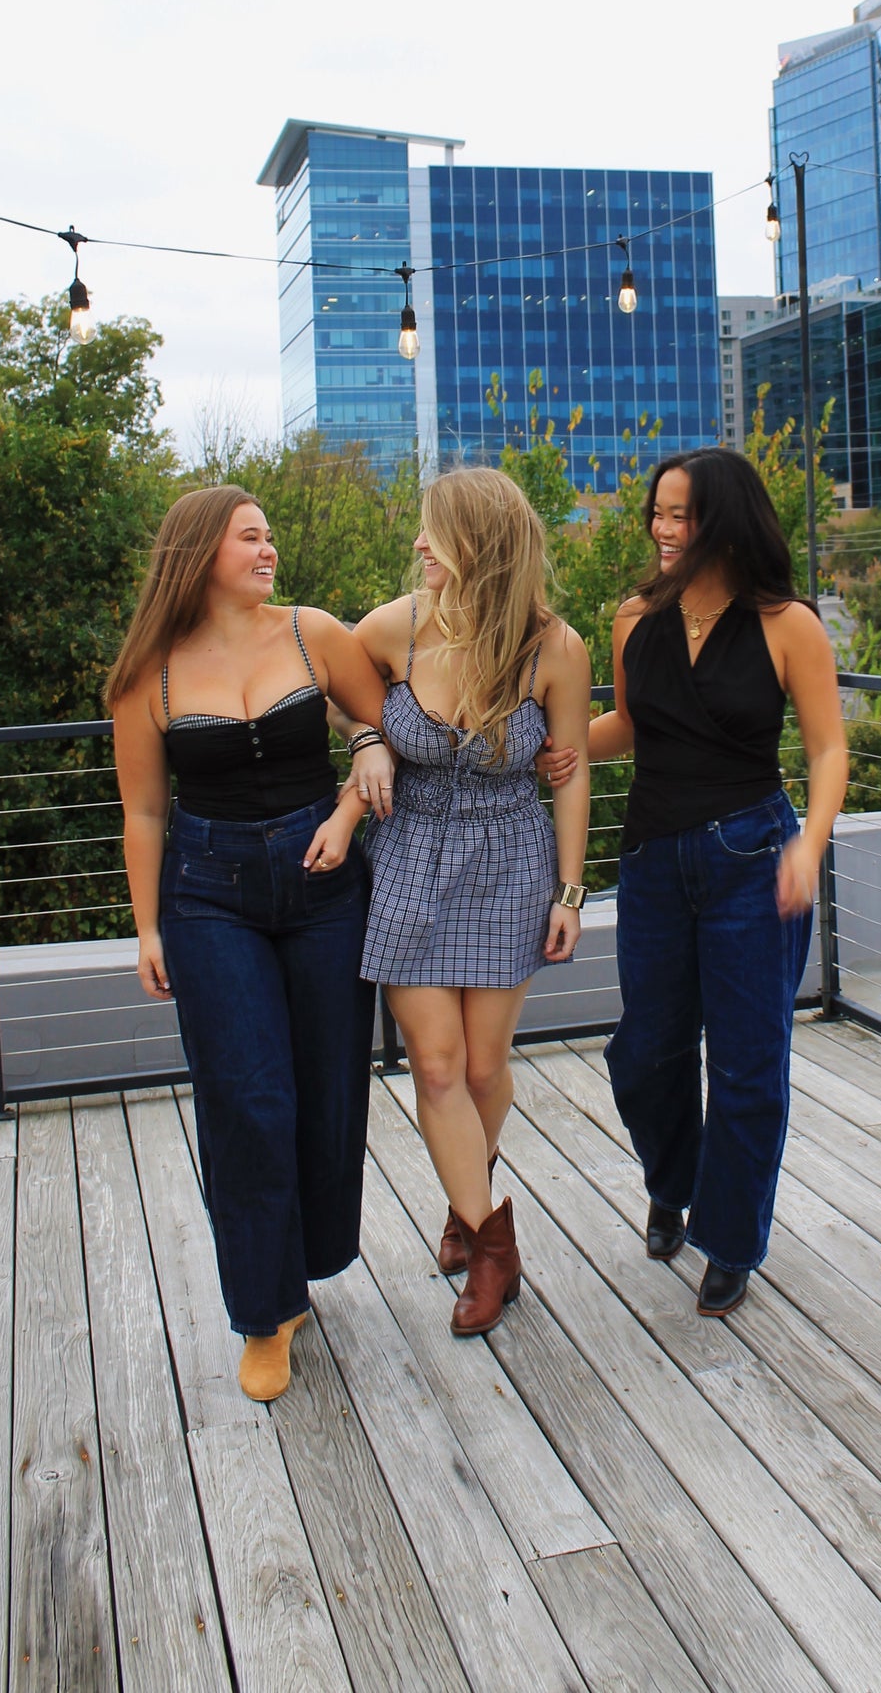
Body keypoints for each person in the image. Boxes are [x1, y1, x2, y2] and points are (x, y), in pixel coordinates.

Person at [109, 484, 394, 1401]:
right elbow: (145, 810)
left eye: (269, 536)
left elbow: (386, 723)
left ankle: (303, 1264)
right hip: (207, 894)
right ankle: (262, 1315)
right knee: (247, 1100)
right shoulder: (149, 672)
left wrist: (357, 787)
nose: (267, 549)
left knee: (325, 1084)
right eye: (248, 538)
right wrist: (148, 925)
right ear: (199, 553)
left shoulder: (315, 633)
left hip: (323, 880)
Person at [568, 448, 847, 1317]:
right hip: (652, 858)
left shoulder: (785, 623)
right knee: (644, 1053)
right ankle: (673, 1180)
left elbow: (828, 748)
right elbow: (632, 723)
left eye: (681, 514)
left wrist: (810, 845)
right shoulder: (631, 618)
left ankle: (729, 1238)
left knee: (746, 1065)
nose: (662, 528)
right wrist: (564, 745)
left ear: (723, 521)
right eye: (657, 512)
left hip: (749, 860)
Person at [340, 467, 591, 1336]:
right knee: (435, 1066)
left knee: (484, 1069)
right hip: (410, 855)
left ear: (479, 544)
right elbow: (324, 681)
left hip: (509, 860)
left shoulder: (552, 646)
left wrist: (570, 889)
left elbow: (573, 769)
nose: (417, 545)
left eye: (433, 532)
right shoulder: (394, 628)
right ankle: (492, 1250)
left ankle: (463, 1203)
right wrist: (370, 735)